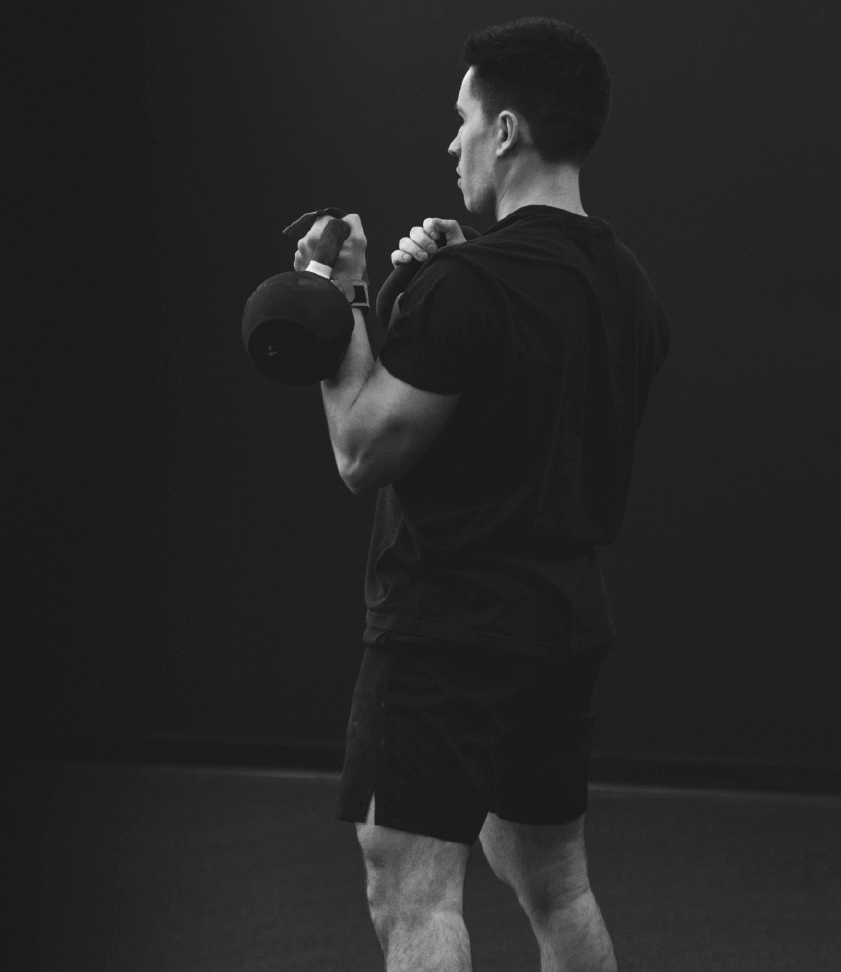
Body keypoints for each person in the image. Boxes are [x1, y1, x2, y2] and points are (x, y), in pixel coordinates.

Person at [293, 17, 669, 972]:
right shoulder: (628, 288)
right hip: (562, 620)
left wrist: (339, 300)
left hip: (446, 628)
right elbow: (523, 387)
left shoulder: (471, 284)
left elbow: (361, 450)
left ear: (504, 132)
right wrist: (442, 281)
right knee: (557, 884)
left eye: (461, 120)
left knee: (412, 893)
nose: (450, 142)